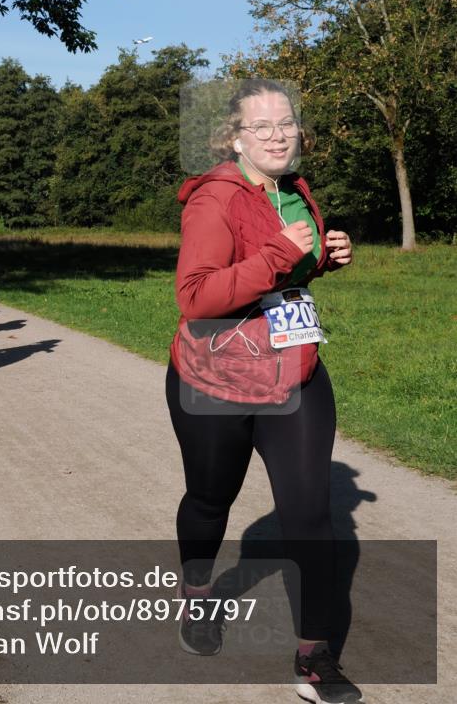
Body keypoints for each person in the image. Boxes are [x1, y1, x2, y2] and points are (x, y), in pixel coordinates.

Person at [167, 78, 361, 704]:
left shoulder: (292, 191)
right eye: (263, 126)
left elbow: (286, 272)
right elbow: (196, 298)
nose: (278, 135)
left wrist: (325, 257)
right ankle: (197, 598)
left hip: (292, 367)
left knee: (309, 512)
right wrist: (279, 255)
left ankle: (314, 656)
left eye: (287, 124)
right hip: (215, 377)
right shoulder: (213, 200)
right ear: (235, 138)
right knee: (209, 499)